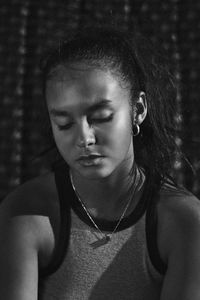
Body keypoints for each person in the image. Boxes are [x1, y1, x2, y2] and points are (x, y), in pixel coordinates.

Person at [0, 25, 200, 300]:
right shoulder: (28, 212)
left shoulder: (183, 221)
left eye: (102, 116)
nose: (84, 138)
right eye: (64, 123)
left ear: (138, 110)